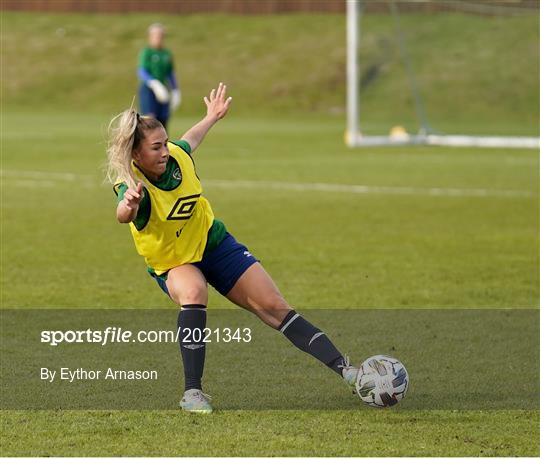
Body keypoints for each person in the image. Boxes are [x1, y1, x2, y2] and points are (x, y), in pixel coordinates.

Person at [106, 83, 359, 414]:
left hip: (214, 243)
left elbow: (191, 139)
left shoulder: (177, 156)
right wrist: (128, 204)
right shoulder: (131, 184)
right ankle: (192, 393)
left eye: (165, 143)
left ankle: (348, 371)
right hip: (173, 262)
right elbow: (123, 215)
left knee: (274, 306)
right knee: (194, 291)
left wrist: (211, 117)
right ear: (136, 154)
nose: (165, 151)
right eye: (156, 148)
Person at [137, 23, 181, 129]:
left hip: (164, 89)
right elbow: (142, 71)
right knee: (150, 120)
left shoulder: (166, 53)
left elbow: (170, 73)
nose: (159, 38)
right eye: (156, 35)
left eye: (161, 36)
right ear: (150, 37)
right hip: (149, 90)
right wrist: (153, 83)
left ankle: (163, 144)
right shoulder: (147, 52)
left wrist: (175, 90)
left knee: (163, 120)